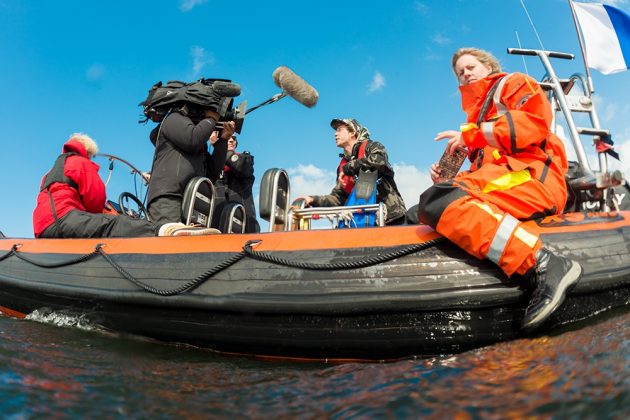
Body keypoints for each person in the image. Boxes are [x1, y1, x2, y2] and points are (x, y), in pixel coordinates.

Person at [418, 47, 582, 331]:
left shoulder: (513, 84)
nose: (465, 73)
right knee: (422, 208)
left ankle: (543, 264)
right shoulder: (475, 120)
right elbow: (484, 174)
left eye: (471, 67)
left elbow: (533, 123)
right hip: (508, 179)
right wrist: (444, 181)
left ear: (488, 66)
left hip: (533, 178)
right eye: (460, 72)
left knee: (439, 200)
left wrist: (472, 135)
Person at [33, 133, 207, 238]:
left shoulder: (52, 171)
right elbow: (96, 199)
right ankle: (165, 230)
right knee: (116, 223)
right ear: (87, 151)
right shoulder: (80, 162)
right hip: (65, 220)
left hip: (42, 226)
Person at [300, 118, 406, 225]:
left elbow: (379, 162)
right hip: (362, 224)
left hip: (391, 218)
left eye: (340, 130)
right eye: (335, 131)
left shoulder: (371, 147)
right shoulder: (342, 167)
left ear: (352, 132)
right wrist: (313, 200)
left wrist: (349, 167)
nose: (335, 134)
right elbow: (339, 199)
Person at [146, 102, 235, 227]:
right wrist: (211, 119)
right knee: (170, 242)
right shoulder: (173, 118)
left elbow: (214, 171)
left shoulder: (199, 142)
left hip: (193, 200)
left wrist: (224, 139)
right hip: (169, 199)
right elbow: (192, 140)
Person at [213, 133, 260, 233]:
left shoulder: (246, 159)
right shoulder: (213, 165)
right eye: (227, 136)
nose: (231, 140)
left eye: (233, 138)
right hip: (216, 229)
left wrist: (220, 146)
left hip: (244, 227)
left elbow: (241, 166)